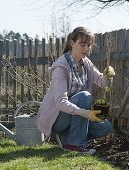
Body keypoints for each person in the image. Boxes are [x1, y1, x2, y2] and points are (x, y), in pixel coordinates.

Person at [36, 26, 115, 155]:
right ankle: (75, 145)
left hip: (74, 117)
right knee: (84, 96)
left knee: (105, 127)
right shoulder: (61, 68)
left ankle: (68, 138)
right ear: (72, 43)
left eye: (89, 45)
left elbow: (103, 83)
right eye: (82, 44)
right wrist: (86, 113)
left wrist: (108, 75)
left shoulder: (86, 63)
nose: (86, 49)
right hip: (57, 120)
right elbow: (61, 103)